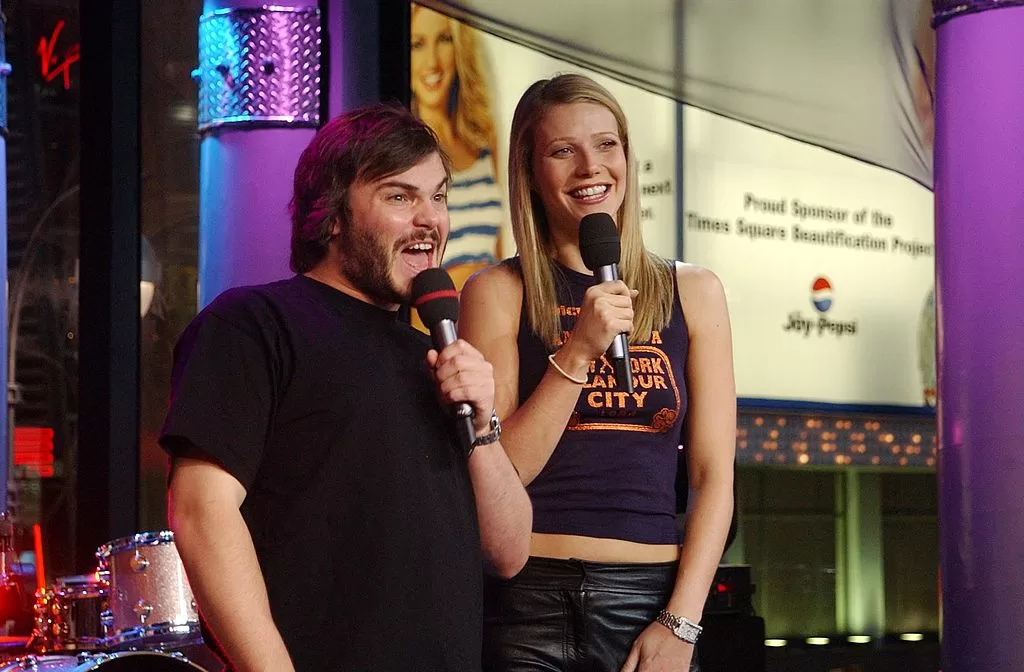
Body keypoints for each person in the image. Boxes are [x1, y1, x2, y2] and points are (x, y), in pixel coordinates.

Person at [161, 104, 532, 672]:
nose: (429, 219)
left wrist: (482, 426)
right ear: (331, 216)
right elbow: (200, 510)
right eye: (399, 196)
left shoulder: (432, 355)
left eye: (438, 197)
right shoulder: (255, 323)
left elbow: (507, 553)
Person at [459, 74, 737, 672]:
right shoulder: (496, 292)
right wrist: (578, 353)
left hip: (650, 602)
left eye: (606, 145)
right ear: (531, 171)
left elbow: (714, 475)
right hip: (525, 598)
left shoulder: (693, 292)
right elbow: (503, 471)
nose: (591, 167)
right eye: (563, 150)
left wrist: (681, 623)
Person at [410, 3, 506, 290]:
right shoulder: (403, 149)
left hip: (493, 319)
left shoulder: (485, 140)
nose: (432, 63)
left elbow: (500, 251)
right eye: (417, 45)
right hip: (432, 324)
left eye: (443, 40)